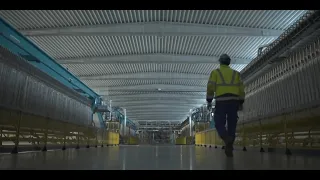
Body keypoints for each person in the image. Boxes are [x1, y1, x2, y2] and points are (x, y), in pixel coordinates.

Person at [206, 54, 245, 157]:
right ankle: (230, 144)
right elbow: (241, 88)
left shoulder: (215, 73)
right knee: (232, 123)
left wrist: (209, 100)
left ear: (220, 62)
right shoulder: (236, 74)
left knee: (218, 122)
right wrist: (241, 101)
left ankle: (226, 138)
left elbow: (210, 87)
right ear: (229, 62)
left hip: (221, 101)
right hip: (234, 101)